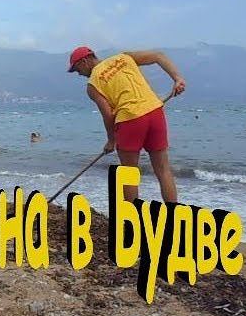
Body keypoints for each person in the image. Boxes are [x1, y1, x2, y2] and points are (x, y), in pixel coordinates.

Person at [68, 46, 186, 203]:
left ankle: (132, 216)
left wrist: (111, 140)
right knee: (163, 170)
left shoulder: (93, 84)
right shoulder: (124, 57)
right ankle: (173, 214)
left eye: (77, 69)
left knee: (129, 174)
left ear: (84, 61)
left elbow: (108, 115)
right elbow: (158, 55)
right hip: (155, 112)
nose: (79, 74)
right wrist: (177, 78)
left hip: (129, 119)